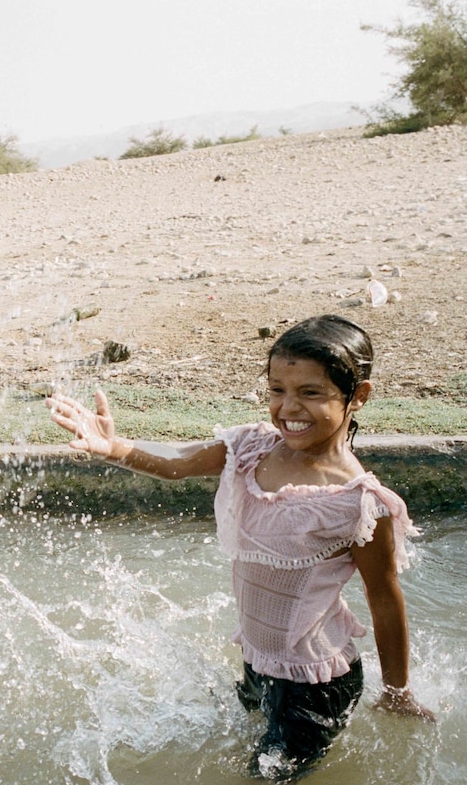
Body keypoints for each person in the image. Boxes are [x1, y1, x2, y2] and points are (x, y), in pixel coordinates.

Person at [47, 314, 434, 780]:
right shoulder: (254, 448)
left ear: (358, 396)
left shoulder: (356, 503)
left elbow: (384, 598)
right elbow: (178, 464)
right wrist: (114, 447)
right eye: (277, 390)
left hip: (315, 684)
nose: (288, 407)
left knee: (262, 778)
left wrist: (397, 693)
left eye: (310, 393)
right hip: (257, 660)